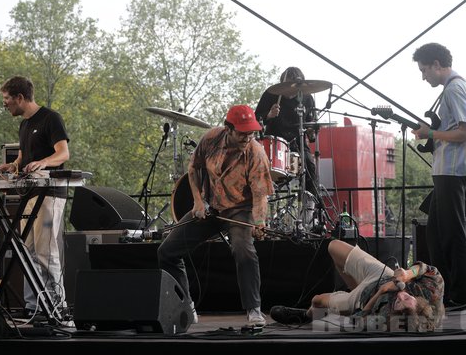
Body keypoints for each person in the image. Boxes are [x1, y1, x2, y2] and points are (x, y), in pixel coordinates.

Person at [157, 104, 275, 326]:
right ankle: (186, 305)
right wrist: (198, 201)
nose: (247, 137)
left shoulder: (256, 152)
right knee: (166, 251)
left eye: (251, 133)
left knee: (243, 250)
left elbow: (260, 195)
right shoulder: (211, 139)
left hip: (241, 210)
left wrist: (259, 221)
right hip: (210, 208)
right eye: (242, 132)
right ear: (228, 128)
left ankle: (254, 310)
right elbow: (193, 168)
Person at [410, 43, 466, 308]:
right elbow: (456, 128)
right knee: (435, 231)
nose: (423, 77)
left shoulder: (454, 89)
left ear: (436, 64)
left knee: (453, 233)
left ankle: (459, 296)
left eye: (424, 70)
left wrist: (430, 134)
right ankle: (441, 290)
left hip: (453, 170)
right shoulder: (460, 86)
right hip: (451, 169)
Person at [0, 76, 70, 318]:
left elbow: (63, 153)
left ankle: (58, 307)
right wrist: (12, 166)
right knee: (28, 251)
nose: (5, 104)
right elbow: (24, 157)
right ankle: (34, 306)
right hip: (30, 194)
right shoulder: (24, 124)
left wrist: (43, 163)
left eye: (7, 99)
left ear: (19, 97)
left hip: (49, 195)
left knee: (46, 251)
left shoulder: (50, 118)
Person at [270, 240, 445, 332]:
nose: (400, 296)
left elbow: (356, 321)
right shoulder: (431, 295)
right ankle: (354, 285)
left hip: (362, 299)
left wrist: (380, 294)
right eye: (407, 297)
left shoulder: (388, 320)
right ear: (420, 302)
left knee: (316, 302)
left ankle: (305, 316)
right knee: (333, 246)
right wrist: (407, 274)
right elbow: (431, 271)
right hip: (384, 275)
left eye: (398, 303)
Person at [255, 67, 317, 196]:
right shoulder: (271, 94)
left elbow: (312, 125)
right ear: (282, 84)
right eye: (288, 85)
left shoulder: (307, 98)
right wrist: (268, 115)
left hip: (298, 142)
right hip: (274, 142)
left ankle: (311, 208)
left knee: (310, 167)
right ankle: (261, 203)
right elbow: (256, 119)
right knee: (258, 169)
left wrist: (312, 133)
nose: (291, 89)